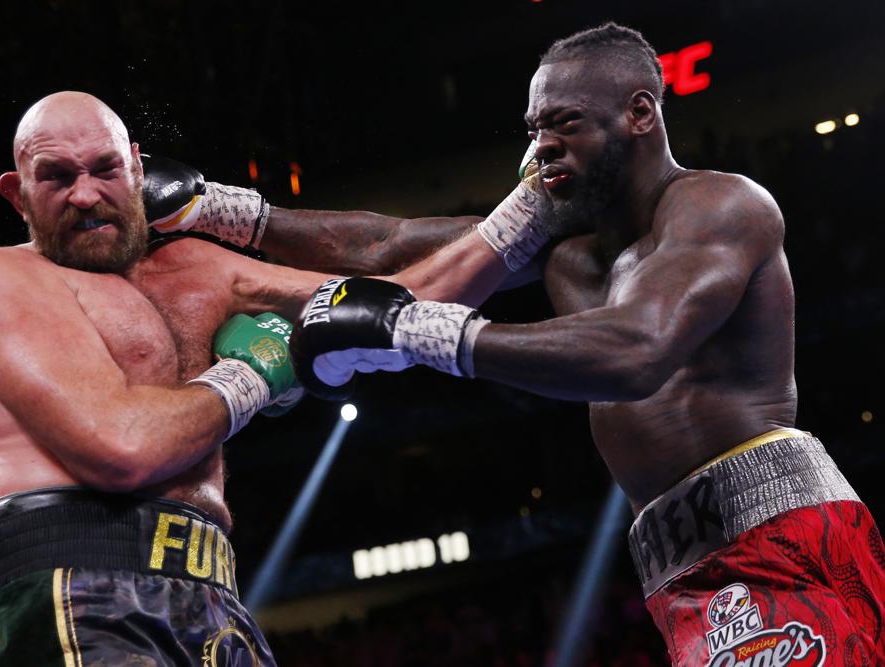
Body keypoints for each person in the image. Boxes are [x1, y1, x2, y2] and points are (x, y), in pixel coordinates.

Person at [282, 23, 885, 666]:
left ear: (639, 113)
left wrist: (415, 329)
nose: (543, 145)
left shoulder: (718, 203)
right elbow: (387, 245)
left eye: (565, 123)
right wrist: (223, 211)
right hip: (678, 577)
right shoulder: (566, 253)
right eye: (535, 127)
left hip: (776, 536)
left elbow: (638, 350)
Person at [0, 91, 508, 666]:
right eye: (56, 177)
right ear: (18, 194)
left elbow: (398, 306)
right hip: (70, 585)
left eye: (105, 169)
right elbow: (125, 450)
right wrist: (257, 370)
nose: (85, 194)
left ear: (136, 168)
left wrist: (535, 212)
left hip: (213, 595)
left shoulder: (197, 269)